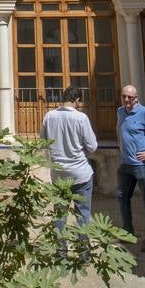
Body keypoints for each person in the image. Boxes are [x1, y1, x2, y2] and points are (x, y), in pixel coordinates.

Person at [40, 86, 98, 230]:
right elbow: (92, 146)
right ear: (77, 100)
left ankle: (61, 251)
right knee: (83, 214)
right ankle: (83, 251)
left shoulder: (49, 116)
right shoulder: (81, 118)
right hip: (80, 173)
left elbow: (43, 142)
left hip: (59, 173)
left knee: (59, 215)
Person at [115, 84, 145, 251]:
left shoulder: (144, 113)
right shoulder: (120, 112)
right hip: (125, 164)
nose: (126, 99)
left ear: (136, 98)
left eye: (130, 97)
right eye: (124, 96)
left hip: (142, 166)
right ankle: (128, 232)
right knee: (122, 197)